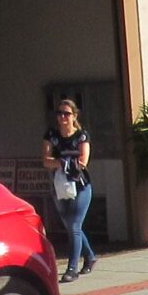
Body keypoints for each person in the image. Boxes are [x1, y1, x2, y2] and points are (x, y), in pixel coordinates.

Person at [42, 98, 97, 282]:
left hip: (80, 186)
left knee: (74, 225)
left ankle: (72, 268)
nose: (63, 117)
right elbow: (46, 160)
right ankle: (89, 256)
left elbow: (82, 162)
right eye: (60, 113)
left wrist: (61, 163)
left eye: (67, 113)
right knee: (70, 225)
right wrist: (64, 163)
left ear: (74, 116)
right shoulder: (52, 135)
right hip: (60, 186)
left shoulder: (81, 136)